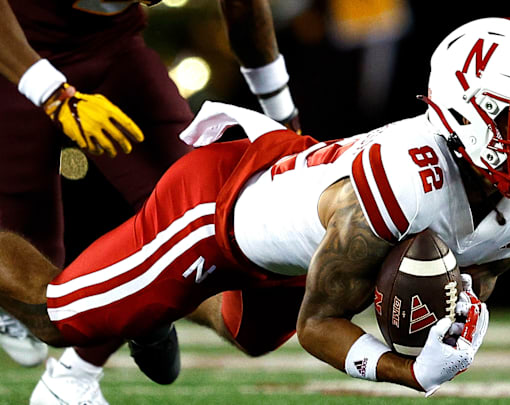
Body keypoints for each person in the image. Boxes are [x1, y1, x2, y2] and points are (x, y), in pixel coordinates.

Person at [0, 17, 510, 399]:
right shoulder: (403, 183)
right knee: (56, 318)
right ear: (469, 114)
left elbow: (477, 269)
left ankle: (152, 310)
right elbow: (317, 326)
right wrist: (407, 371)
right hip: (214, 208)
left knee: (249, 334)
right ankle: (137, 308)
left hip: (292, 244)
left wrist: (464, 314)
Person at [0, 0, 299, 403]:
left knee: (207, 223)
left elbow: (243, 8)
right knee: (42, 303)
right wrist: (54, 95)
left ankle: (74, 375)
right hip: (11, 55)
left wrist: (284, 117)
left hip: (110, 46)